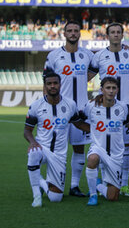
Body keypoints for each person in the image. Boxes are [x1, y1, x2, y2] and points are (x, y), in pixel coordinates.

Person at [44, 20, 97, 197]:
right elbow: (46, 81)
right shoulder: (53, 56)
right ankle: (52, 182)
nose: (73, 33)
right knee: (54, 148)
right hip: (59, 110)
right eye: (70, 31)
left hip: (80, 110)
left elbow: (99, 67)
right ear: (64, 34)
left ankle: (74, 185)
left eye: (76, 30)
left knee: (79, 147)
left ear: (79, 34)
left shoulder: (88, 55)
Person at [24, 72, 89, 207]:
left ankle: (42, 183)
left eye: (55, 83)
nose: (52, 86)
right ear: (45, 86)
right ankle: (37, 196)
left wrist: (100, 130)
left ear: (60, 85)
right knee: (33, 153)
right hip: (42, 148)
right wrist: (33, 142)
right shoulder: (36, 105)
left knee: (56, 198)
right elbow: (27, 131)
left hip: (59, 155)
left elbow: (79, 124)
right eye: (49, 84)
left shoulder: (70, 104)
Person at [90, 22, 129, 197]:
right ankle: (104, 182)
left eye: (119, 32)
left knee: (125, 147)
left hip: (126, 107)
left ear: (122, 35)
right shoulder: (99, 56)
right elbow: (87, 76)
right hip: (105, 107)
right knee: (106, 145)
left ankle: (124, 185)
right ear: (107, 35)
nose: (116, 35)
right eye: (113, 32)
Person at [83, 77, 129, 206]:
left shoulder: (123, 107)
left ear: (117, 90)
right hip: (98, 148)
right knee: (92, 159)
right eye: (108, 88)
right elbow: (79, 119)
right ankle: (92, 195)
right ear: (102, 90)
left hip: (116, 154)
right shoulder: (91, 106)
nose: (111, 91)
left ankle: (98, 185)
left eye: (113, 88)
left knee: (113, 197)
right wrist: (92, 131)